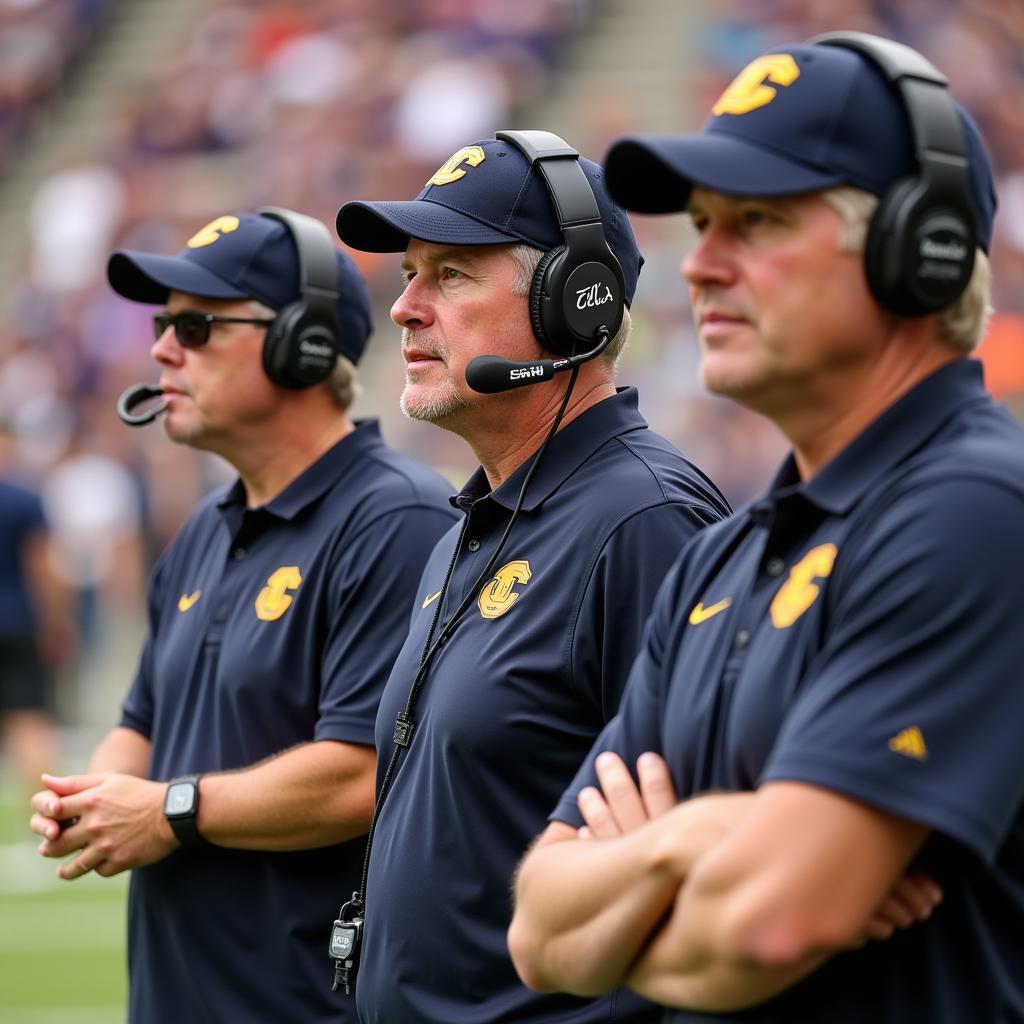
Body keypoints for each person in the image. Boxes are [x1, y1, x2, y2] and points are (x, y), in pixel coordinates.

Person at [508, 32, 1024, 1022]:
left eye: (754, 222)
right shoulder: (722, 555)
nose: (697, 267)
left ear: (919, 251)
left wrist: (642, 869)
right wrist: (697, 838)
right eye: (701, 224)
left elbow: (767, 925)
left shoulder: (974, 512)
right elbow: (539, 933)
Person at [333, 130, 732, 1023]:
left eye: (452, 275)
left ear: (575, 303)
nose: (405, 307)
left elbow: (714, 873)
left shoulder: (645, 523)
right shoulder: (472, 526)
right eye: (408, 274)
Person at [28, 208, 458, 1023]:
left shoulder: (398, 520)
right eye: (162, 325)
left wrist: (169, 811)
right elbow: (143, 722)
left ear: (302, 344)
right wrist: (90, 794)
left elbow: (367, 774)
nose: (160, 350)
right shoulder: (204, 528)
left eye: (194, 326)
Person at [0, 418, 71, 794]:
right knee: (29, 719)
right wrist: (57, 624)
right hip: (16, 622)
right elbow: (44, 569)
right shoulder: (24, 499)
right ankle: (50, 809)